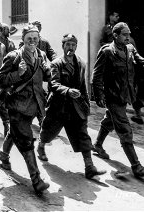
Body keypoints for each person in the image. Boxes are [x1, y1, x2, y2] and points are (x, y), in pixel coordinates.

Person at [37, 34, 105, 179]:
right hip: (58, 105)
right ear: (63, 46)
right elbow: (53, 84)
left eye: (73, 45)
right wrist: (67, 91)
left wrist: (86, 105)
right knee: (49, 130)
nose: (71, 47)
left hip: (76, 106)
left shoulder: (81, 63)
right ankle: (41, 146)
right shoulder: (56, 63)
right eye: (68, 44)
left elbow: (82, 86)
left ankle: (89, 167)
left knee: (82, 133)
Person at [92, 22, 144, 177]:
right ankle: (136, 166)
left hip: (125, 94)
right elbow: (96, 75)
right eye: (125, 34)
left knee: (109, 120)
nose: (128, 37)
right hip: (112, 96)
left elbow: (142, 62)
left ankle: (97, 145)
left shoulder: (130, 48)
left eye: (129, 34)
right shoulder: (107, 51)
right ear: (115, 35)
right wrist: (98, 95)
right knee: (125, 130)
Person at [0, 24, 50, 194]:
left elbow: (46, 76)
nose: (32, 42)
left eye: (35, 39)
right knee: (26, 139)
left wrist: (48, 71)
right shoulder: (14, 57)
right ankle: (36, 179)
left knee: (15, 131)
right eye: (29, 39)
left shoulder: (41, 55)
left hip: (35, 105)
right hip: (17, 105)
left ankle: (3, 155)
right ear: (23, 40)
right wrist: (17, 74)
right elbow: (1, 79)